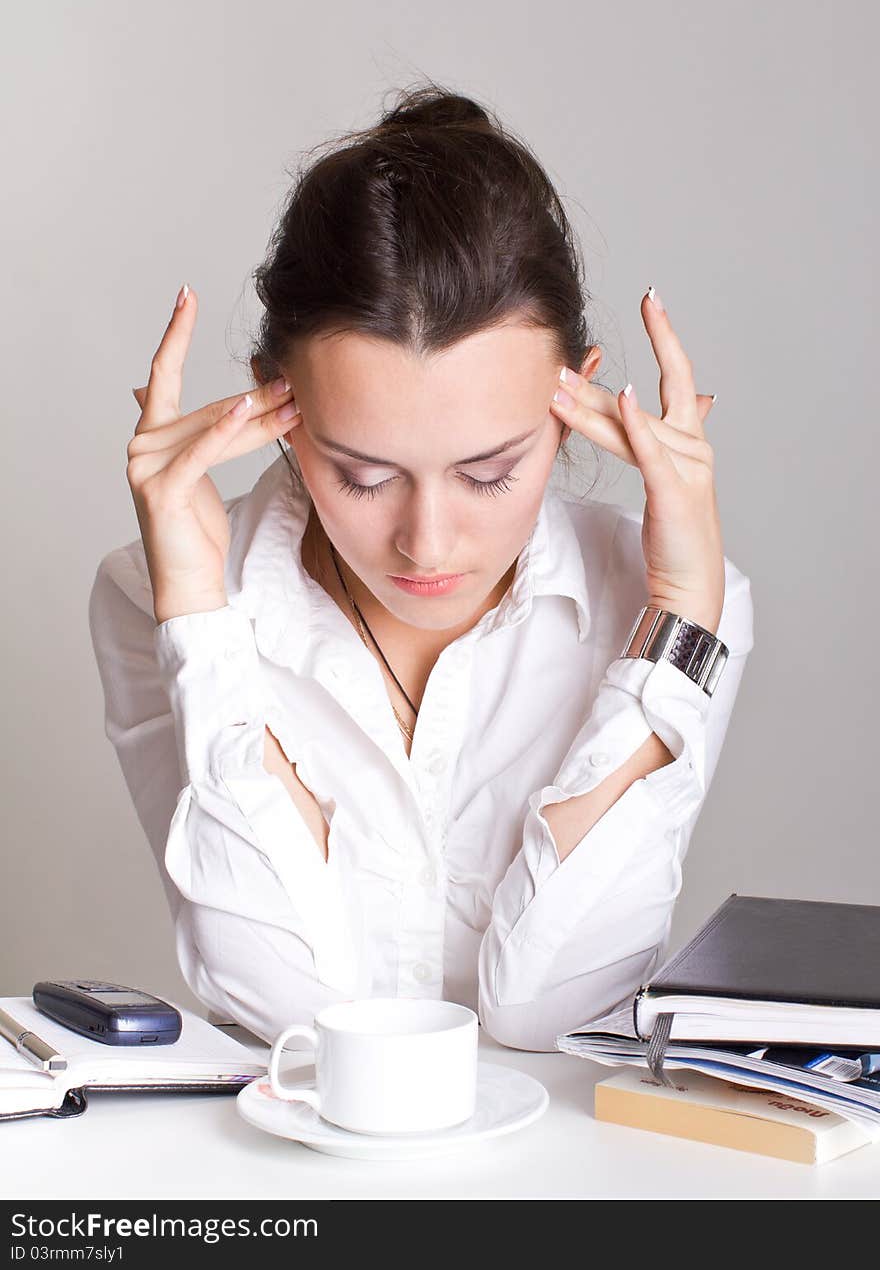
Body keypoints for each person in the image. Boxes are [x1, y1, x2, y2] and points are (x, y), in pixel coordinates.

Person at [88, 85, 754, 1052]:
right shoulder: (153, 595)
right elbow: (296, 1020)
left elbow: (551, 1015)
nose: (427, 542)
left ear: (574, 400)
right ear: (276, 407)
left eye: (491, 473)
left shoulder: (682, 621)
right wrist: (196, 611)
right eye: (362, 476)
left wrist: (685, 611)